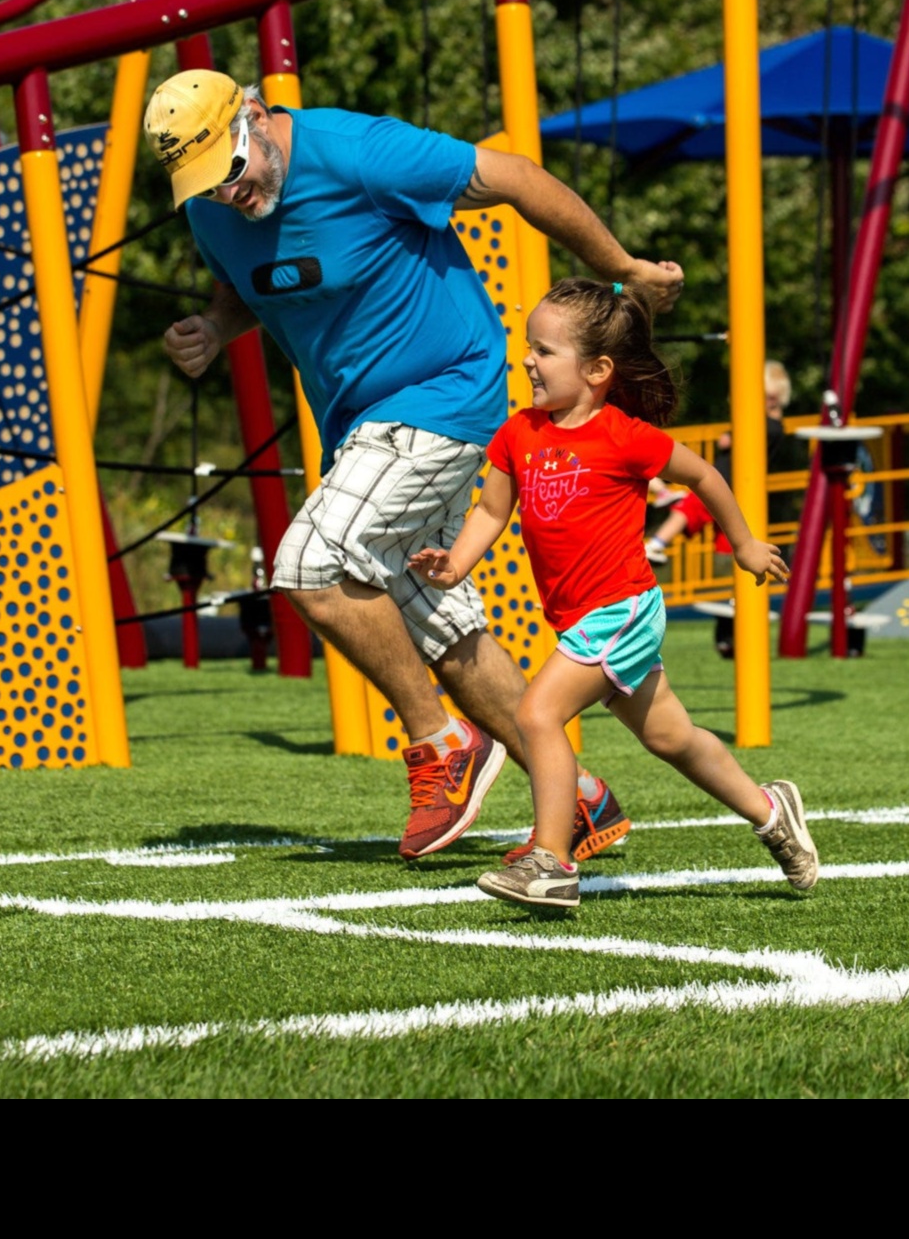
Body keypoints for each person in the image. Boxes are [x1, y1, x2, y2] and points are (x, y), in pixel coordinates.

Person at [150, 70, 681, 862]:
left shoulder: (362, 152)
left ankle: (440, 745)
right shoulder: (212, 214)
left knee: (310, 566)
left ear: (255, 119)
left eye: (230, 172)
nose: (225, 195)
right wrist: (214, 328)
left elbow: (516, 178)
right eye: (201, 186)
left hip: (444, 394)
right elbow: (253, 289)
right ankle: (577, 798)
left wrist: (624, 266)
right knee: (440, 625)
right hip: (358, 426)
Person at [413, 278, 818, 912]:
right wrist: (455, 563)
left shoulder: (625, 436)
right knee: (670, 738)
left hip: (621, 610)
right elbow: (492, 512)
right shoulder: (519, 433)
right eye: (529, 347)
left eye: (544, 351)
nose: (528, 361)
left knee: (537, 714)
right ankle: (772, 813)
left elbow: (705, 475)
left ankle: (550, 860)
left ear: (598, 370)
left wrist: (742, 544)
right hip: (582, 621)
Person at [645, 357, 793, 564]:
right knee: (731, 537)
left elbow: (728, 440)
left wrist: (730, 436)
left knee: (687, 509)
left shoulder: (764, 425)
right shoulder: (775, 426)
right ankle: (737, 580)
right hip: (737, 484)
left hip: (723, 480)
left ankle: (657, 544)